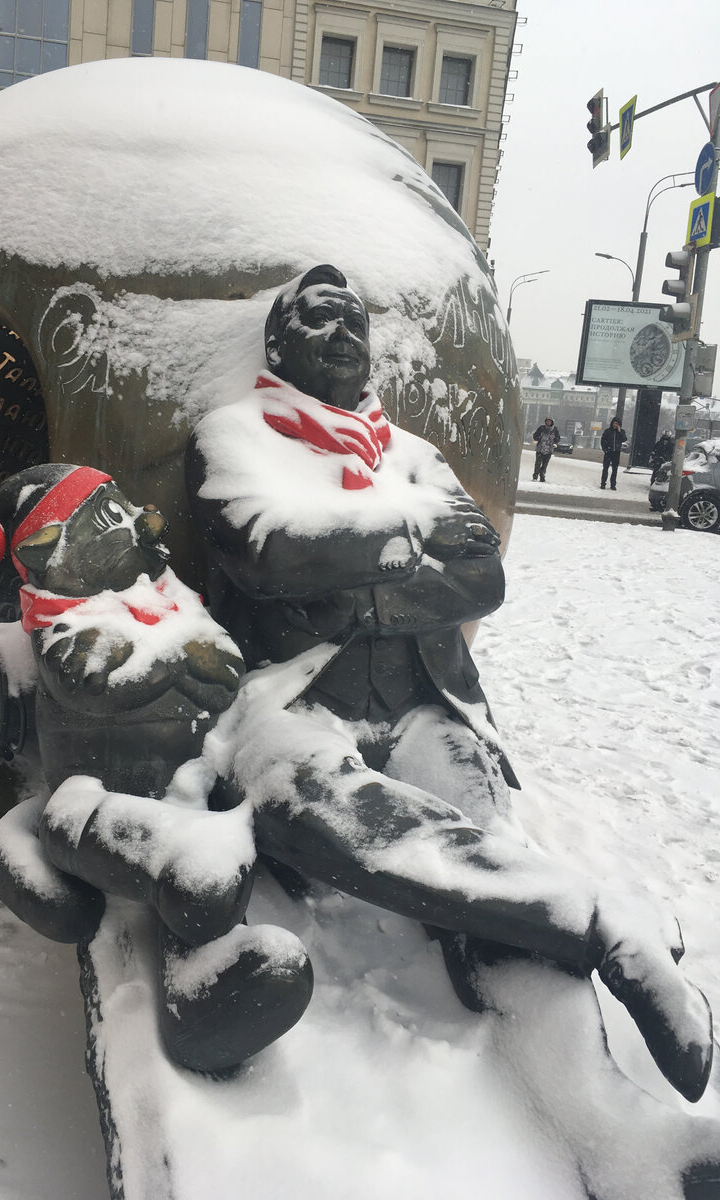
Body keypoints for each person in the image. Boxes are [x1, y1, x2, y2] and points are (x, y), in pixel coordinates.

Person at [185, 264, 713, 1103]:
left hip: (427, 705)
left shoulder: (412, 454)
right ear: (279, 343)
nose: (342, 333)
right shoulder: (235, 438)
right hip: (295, 712)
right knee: (340, 827)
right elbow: (267, 555)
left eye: (354, 319)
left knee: (483, 858)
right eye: (319, 319)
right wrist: (413, 534)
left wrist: (349, 573)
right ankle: (602, 919)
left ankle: (618, 1124)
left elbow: (482, 580)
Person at [601, 416, 628, 489]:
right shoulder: (607, 431)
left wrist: (619, 432)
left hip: (616, 453)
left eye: (617, 423)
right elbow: (603, 441)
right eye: (614, 423)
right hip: (608, 452)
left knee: (615, 469)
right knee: (605, 468)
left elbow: (624, 439)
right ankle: (603, 483)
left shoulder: (621, 432)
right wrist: (605, 449)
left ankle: (613, 484)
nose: (615, 425)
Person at [532, 417, 560, 481]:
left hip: (549, 449)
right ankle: (535, 476)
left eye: (549, 421)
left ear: (552, 422)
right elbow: (535, 436)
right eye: (547, 421)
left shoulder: (555, 429)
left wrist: (555, 440)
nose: (548, 422)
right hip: (540, 449)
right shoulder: (541, 428)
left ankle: (542, 476)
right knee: (538, 464)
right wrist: (539, 438)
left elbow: (558, 437)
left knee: (545, 464)